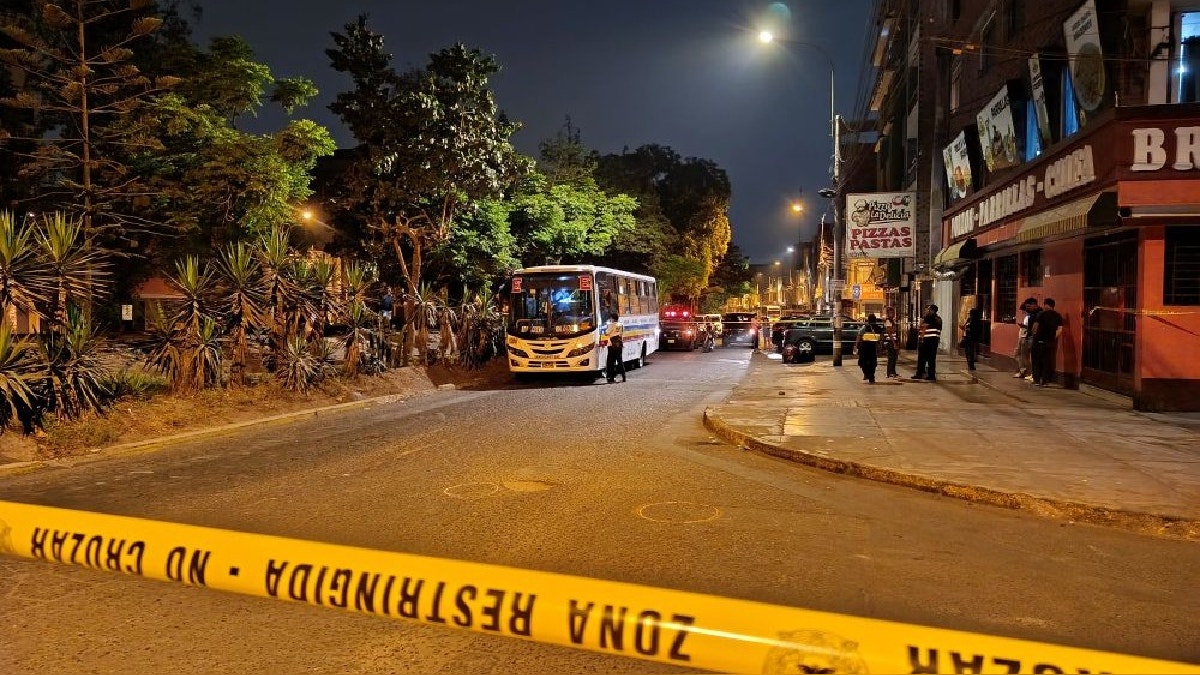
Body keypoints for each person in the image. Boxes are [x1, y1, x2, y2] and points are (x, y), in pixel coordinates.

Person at [1030, 297, 1063, 387]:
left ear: (1046, 305)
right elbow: (1060, 330)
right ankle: (1045, 381)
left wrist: (1034, 335)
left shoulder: (1041, 314)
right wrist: (1052, 337)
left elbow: (1035, 327)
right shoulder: (1058, 316)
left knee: (1036, 361)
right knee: (1047, 362)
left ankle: (1036, 380)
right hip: (1050, 342)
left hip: (1038, 341)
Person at [913, 304, 942, 381]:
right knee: (931, 359)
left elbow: (922, 327)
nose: (927, 311)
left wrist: (921, 339)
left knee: (923, 359)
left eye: (929, 309)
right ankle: (931, 375)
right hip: (933, 341)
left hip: (927, 341)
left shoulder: (929, 318)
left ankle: (920, 374)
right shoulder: (938, 319)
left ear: (932, 310)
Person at [1013, 298, 1038, 379]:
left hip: (1024, 337)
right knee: (1018, 354)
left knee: (1024, 356)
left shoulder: (1031, 317)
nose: (1023, 312)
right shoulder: (1028, 317)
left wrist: (1024, 326)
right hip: (1022, 337)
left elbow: (1031, 328)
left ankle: (1024, 371)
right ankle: (1023, 370)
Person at [855, 314, 884, 384]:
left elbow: (859, 336)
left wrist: (857, 345)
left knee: (863, 361)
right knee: (873, 362)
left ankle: (866, 374)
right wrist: (880, 346)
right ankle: (871, 376)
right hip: (873, 347)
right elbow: (881, 338)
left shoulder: (865, 327)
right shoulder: (878, 328)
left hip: (864, 346)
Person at [605, 311, 626, 383]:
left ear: (612, 318)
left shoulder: (611, 325)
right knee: (620, 361)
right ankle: (624, 377)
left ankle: (611, 377)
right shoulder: (621, 325)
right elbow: (621, 333)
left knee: (610, 362)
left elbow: (607, 333)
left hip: (611, 345)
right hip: (619, 345)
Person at [882, 306, 901, 378]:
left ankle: (893, 372)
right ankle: (889, 372)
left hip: (894, 340)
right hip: (890, 341)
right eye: (890, 313)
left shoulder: (892, 321)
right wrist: (894, 343)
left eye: (893, 313)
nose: (892, 314)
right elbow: (889, 333)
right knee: (891, 357)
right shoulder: (888, 321)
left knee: (894, 357)